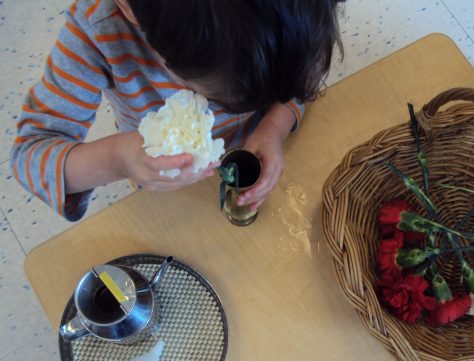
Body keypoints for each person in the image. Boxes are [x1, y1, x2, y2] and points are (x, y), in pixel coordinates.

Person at [10, 0, 343, 220]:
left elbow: (306, 72)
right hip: (161, 180)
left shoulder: (296, 19)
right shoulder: (98, 28)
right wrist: (121, 159)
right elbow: (30, 155)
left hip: (261, 147)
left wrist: (275, 124)